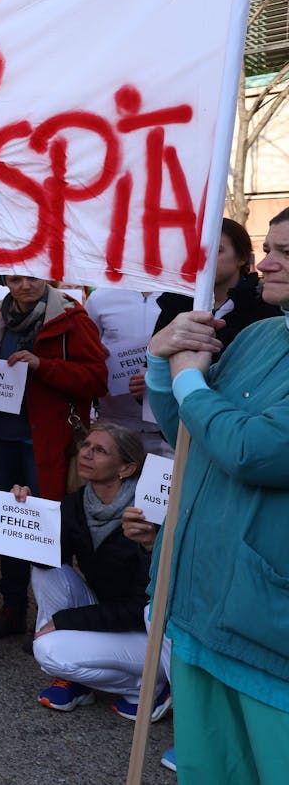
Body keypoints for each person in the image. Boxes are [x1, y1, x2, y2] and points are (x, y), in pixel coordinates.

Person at [137, 208, 289, 783]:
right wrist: (162, 360)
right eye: (270, 247)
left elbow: (257, 449)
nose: (267, 263)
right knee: (207, 769)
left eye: (287, 253)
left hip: (268, 625)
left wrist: (187, 378)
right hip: (203, 604)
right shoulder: (259, 334)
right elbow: (189, 425)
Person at [0, 275, 108, 638]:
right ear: (5, 281)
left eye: (31, 277)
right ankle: (13, 607)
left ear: (46, 277)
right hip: (0, 436)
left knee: (45, 529)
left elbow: (96, 379)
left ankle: (52, 616)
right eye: (14, 278)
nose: (24, 285)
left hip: (46, 440)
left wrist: (43, 366)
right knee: (7, 524)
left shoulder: (72, 318)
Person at [15, 423, 169, 720]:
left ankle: (150, 686)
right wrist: (26, 514)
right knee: (45, 571)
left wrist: (62, 622)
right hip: (107, 611)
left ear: (126, 468)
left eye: (99, 450)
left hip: (147, 631)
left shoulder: (147, 515)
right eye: (86, 446)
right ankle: (76, 679)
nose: (86, 453)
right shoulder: (76, 503)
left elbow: (140, 607)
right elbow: (50, 562)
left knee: (48, 651)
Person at [154, 217, 280, 349]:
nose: (203, 259)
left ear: (242, 257)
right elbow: (153, 361)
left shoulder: (266, 305)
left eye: (217, 251)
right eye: (196, 251)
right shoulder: (176, 303)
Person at [84, 287, 170, 457]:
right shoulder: (100, 297)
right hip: (115, 423)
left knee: (166, 483)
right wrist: (94, 352)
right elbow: (85, 351)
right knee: (113, 482)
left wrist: (159, 380)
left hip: (166, 428)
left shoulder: (184, 297)